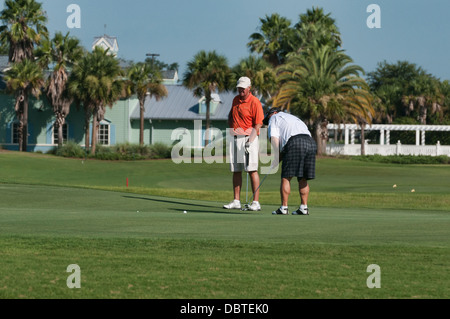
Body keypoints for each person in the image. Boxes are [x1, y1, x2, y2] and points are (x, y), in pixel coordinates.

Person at [263, 107, 317, 215]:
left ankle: (284, 207)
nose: (267, 122)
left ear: (273, 113)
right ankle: (304, 207)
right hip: (311, 142)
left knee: (286, 176)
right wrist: (280, 157)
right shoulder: (292, 117)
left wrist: (275, 157)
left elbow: (274, 139)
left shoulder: (274, 118)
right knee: (303, 177)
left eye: (267, 118)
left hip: (295, 141)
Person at [223, 77, 264, 211]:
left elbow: (258, 123)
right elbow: (231, 115)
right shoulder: (235, 100)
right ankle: (236, 201)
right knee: (236, 170)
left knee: (252, 170)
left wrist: (250, 140)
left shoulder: (255, 102)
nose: (240, 90)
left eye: (243, 88)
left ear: (249, 88)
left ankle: (256, 202)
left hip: (249, 138)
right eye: (239, 88)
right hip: (235, 137)